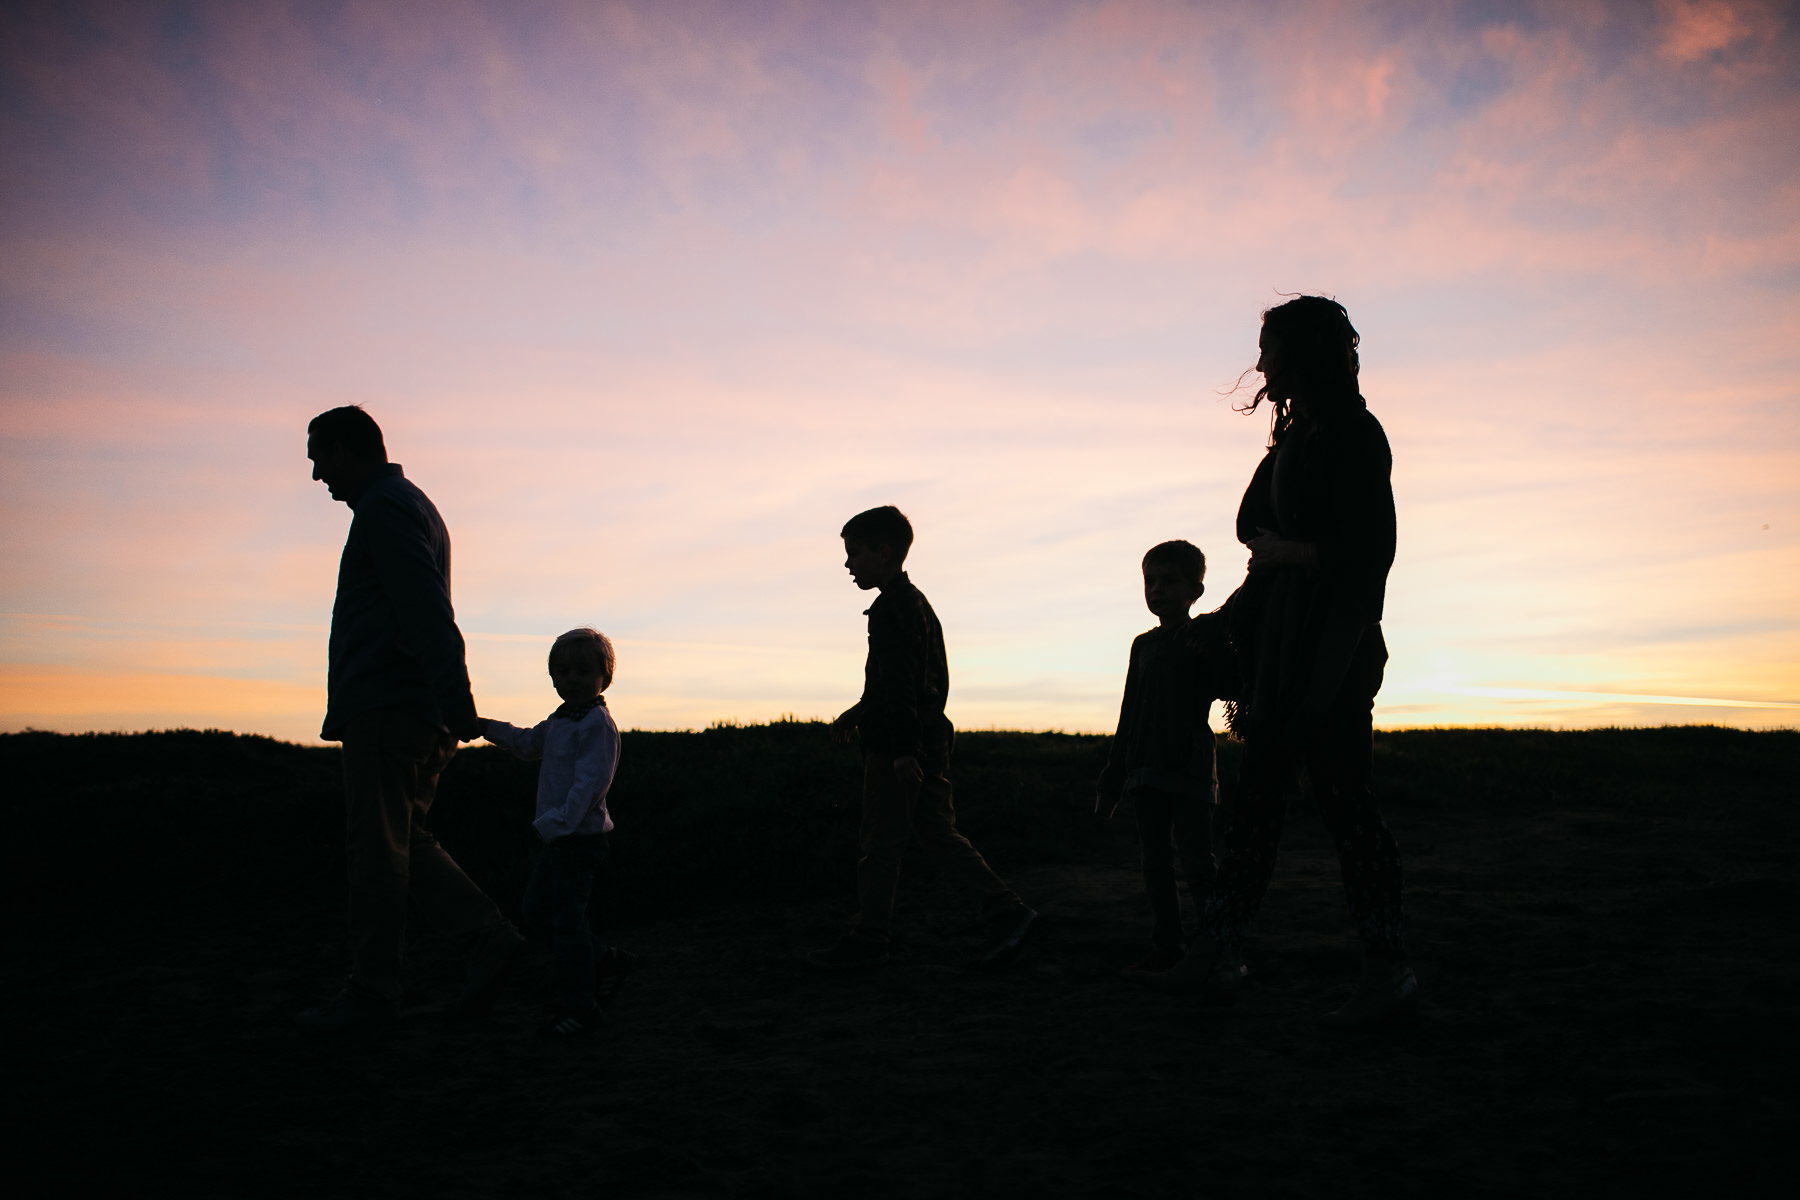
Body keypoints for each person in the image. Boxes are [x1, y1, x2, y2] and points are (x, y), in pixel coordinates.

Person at [1173, 296, 1417, 1026]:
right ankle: (1219, 952)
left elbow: (1374, 553)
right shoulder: (1298, 437)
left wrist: (1293, 553)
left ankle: (1387, 965)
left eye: (1270, 349)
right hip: (1280, 647)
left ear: (1303, 354)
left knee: (1347, 808)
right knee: (1255, 809)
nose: (1260, 364)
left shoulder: (1354, 434)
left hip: (1332, 650)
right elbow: (1254, 520)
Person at [297, 405, 524, 1031]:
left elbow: (425, 611)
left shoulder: (384, 507)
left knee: (376, 851)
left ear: (348, 450)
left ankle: (372, 994)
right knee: (404, 841)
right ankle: (488, 939)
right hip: (410, 707)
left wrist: (456, 702)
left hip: (390, 708)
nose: (318, 476)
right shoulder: (410, 504)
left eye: (321, 458)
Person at [809, 505, 1038, 969]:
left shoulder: (895, 609)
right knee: (935, 832)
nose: (849, 564)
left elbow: (903, 688)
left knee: (880, 843)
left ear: (884, 551)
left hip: (902, 748)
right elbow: (908, 683)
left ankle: (871, 938)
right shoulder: (912, 605)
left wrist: (901, 751)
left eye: (854, 553)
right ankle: (1007, 911)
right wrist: (857, 713)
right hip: (924, 742)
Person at [479, 628, 630, 1037]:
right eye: (563, 671)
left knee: (566, 922)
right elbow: (527, 743)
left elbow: (591, 784)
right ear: (552, 678)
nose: (573, 679)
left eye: (584, 670)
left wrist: (557, 824)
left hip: (579, 840)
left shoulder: (597, 724)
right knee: (536, 911)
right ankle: (600, 961)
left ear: (605, 676)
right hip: (560, 838)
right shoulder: (561, 720)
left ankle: (582, 1007)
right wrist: (484, 726)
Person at [1095, 540, 1231, 977]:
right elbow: (1128, 714)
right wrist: (1111, 781)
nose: (1157, 590)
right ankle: (1167, 947)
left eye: (1169, 581)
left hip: (1190, 772)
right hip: (1144, 773)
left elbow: (1233, 684)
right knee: (1154, 864)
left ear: (1196, 590)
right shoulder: (1142, 646)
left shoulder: (1202, 638)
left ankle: (1219, 950)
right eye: (1149, 581)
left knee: (1197, 865)